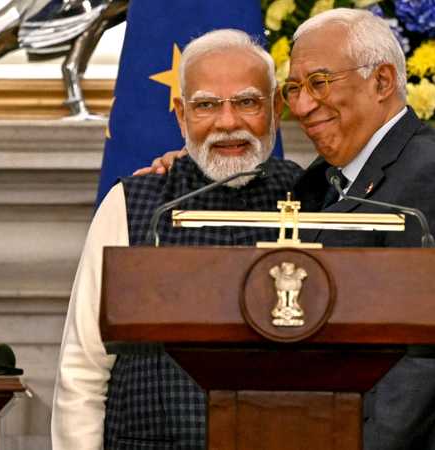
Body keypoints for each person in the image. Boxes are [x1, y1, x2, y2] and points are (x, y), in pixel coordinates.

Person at [138, 9, 435, 450]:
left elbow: (423, 361)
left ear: (382, 82)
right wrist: (189, 163)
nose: (303, 106)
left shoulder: (430, 176)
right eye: (294, 88)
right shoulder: (328, 176)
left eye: (319, 82)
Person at [51, 29, 302, 450]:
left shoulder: (313, 198)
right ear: (182, 115)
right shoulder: (131, 203)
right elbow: (83, 370)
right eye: (206, 105)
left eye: (246, 102)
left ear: (276, 108)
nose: (228, 123)